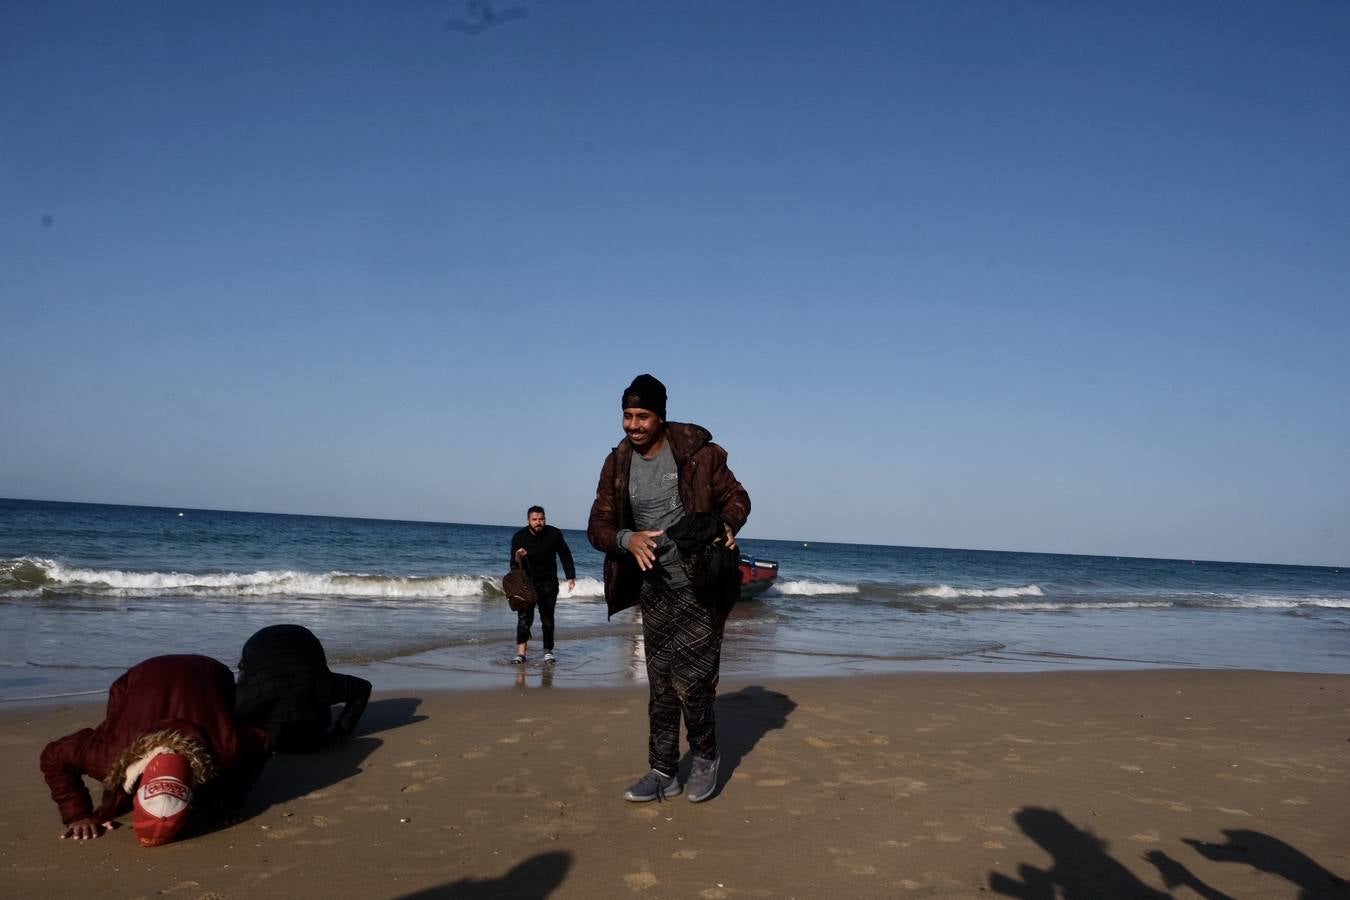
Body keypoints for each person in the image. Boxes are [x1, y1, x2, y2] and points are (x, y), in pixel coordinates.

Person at [587, 374, 750, 803]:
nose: (633, 425)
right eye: (627, 415)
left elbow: (737, 497)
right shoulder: (617, 463)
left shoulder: (700, 455)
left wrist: (727, 524)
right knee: (660, 684)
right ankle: (662, 770)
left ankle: (705, 757)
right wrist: (628, 539)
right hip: (654, 589)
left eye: (642, 416)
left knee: (693, 683)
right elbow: (598, 525)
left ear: (661, 416)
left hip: (701, 586)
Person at [40, 654, 271, 846]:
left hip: (212, 673)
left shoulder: (227, 749)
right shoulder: (106, 755)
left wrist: (228, 800)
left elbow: (262, 743)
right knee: (116, 725)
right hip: (141, 675)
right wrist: (79, 815)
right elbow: (53, 757)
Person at [234, 623, 372, 753]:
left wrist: (342, 730)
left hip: (291, 642)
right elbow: (362, 688)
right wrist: (342, 730)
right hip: (264, 643)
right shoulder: (323, 687)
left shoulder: (322, 686)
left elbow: (363, 688)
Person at [509, 506, 577, 665]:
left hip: (548, 582)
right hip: (527, 583)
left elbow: (565, 554)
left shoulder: (554, 534)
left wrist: (571, 577)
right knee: (524, 619)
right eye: (534, 519)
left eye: (541, 519)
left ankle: (548, 652)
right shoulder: (519, 536)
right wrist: (518, 556)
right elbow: (513, 565)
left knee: (547, 619)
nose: (538, 522)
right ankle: (521, 654)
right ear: (528, 521)